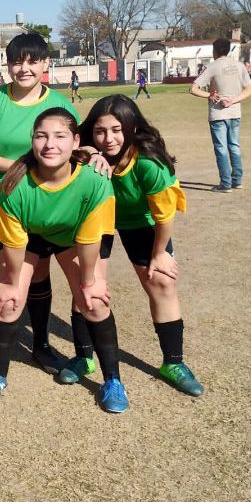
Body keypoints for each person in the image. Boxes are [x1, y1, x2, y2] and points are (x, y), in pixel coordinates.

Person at [0, 108, 126, 412]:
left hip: (72, 236)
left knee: (94, 302)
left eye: (60, 136)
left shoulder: (94, 180)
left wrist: (89, 282)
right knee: (8, 303)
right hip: (29, 236)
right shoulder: (12, 185)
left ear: (76, 141)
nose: (50, 144)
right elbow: (13, 241)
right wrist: (9, 284)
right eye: (41, 136)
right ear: (32, 140)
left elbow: (90, 239)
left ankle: (112, 380)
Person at [0, 32, 83, 376]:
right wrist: (22, 166)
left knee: (39, 270)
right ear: (8, 64)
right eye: (17, 61)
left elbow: (74, 151)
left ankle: (41, 343)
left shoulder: (59, 105)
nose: (24, 68)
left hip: (41, 199)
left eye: (32, 61)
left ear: (46, 64)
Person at [79, 95, 204, 397]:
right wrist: (82, 151)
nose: (108, 139)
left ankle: (173, 363)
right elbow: (56, 147)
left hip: (143, 223)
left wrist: (159, 254)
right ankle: (83, 356)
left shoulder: (149, 162)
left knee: (162, 282)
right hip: (100, 220)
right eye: (100, 131)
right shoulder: (88, 151)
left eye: (117, 129)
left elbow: (164, 215)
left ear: (133, 127)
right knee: (89, 286)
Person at [189, 37, 251, 193]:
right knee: (235, 146)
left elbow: (193, 89)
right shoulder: (239, 66)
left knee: (221, 148)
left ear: (216, 51)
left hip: (218, 114)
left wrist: (209, 95)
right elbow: (250, 89)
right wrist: (233, 100)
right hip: (235, 113)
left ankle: (225, 184)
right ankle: (236, 180)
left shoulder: (212, 67)